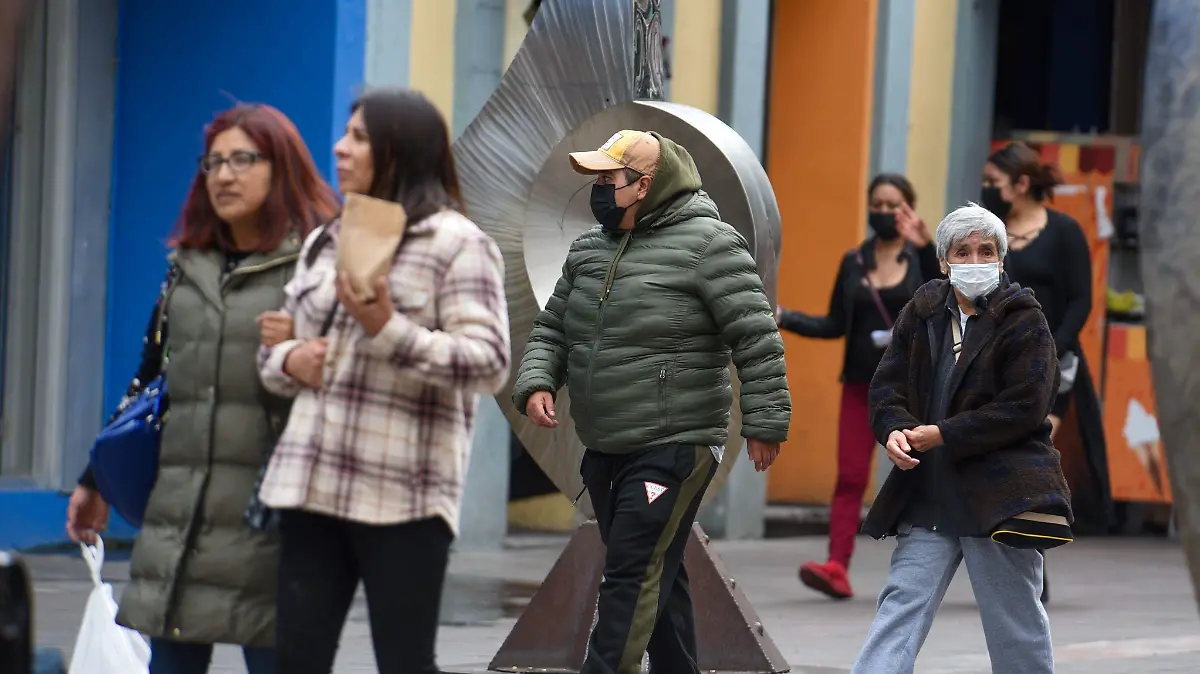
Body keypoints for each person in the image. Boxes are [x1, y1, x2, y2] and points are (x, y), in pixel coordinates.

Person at [65, 103, 340, 674]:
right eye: (213, 162)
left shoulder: (316, 265)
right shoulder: (188, 266)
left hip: (273, 521)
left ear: (281, 167)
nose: (224, 176)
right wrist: (96, 478)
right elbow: (150, 376)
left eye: (243, 160)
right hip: (181, 518)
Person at [512, 129, 792, 674]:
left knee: (631, 572)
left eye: (608, 179)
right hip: (605, 443)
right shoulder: (587, 250)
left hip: (675, 442)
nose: (597, 189)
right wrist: (538, 380)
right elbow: (553, 328)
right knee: (654, 566)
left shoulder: (711, 245)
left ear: (643, 185)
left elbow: (756, 337)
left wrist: (765, 422)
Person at [255, 88, 510, 674]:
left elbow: (490, 362)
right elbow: (275, 350)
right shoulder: (325, 239)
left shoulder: (458, 244)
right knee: (293, 662)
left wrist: (387, 329)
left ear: (401, 150)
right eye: (345, 134)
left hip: (404, 497)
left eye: (360, 138)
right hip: (309, 485)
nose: (339, 149)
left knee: (404, 663)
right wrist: (290, 360)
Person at [851, 203, 1072, 674]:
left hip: (998, 496)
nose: (976, 261)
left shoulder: (1024, 319)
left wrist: (945, 434)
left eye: (986, 251)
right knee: (899, 609)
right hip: (929, 494)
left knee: (1015, 624)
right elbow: (887, 387)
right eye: (963, 252)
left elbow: (1025, 405)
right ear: (943, 261)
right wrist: (893, 430)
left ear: (1001, 259)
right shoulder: (922, 312)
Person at [776, 173, 940, 600]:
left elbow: (941, 301)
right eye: (877, 204)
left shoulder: (921, 259)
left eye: (893, 205)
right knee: (849, 476)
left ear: (909, 209)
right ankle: (836, 566)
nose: (883, 212)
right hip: (861, 387)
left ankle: (936, 566)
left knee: (926, 473)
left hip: (914, 388)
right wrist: (786, 317)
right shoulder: (854, 261)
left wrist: (926, 246)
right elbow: (834, 324)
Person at [981, 141, 1112, 537]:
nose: (986, 189)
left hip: (1054, 361)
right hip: (999, 360)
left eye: (993, 182)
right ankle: (1015, 527)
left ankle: (1032, 529)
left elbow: (1081, 299)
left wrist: (1054, 348)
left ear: (1021, 184)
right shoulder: (989, 234)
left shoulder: (1064, 231)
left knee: (1033, 442)